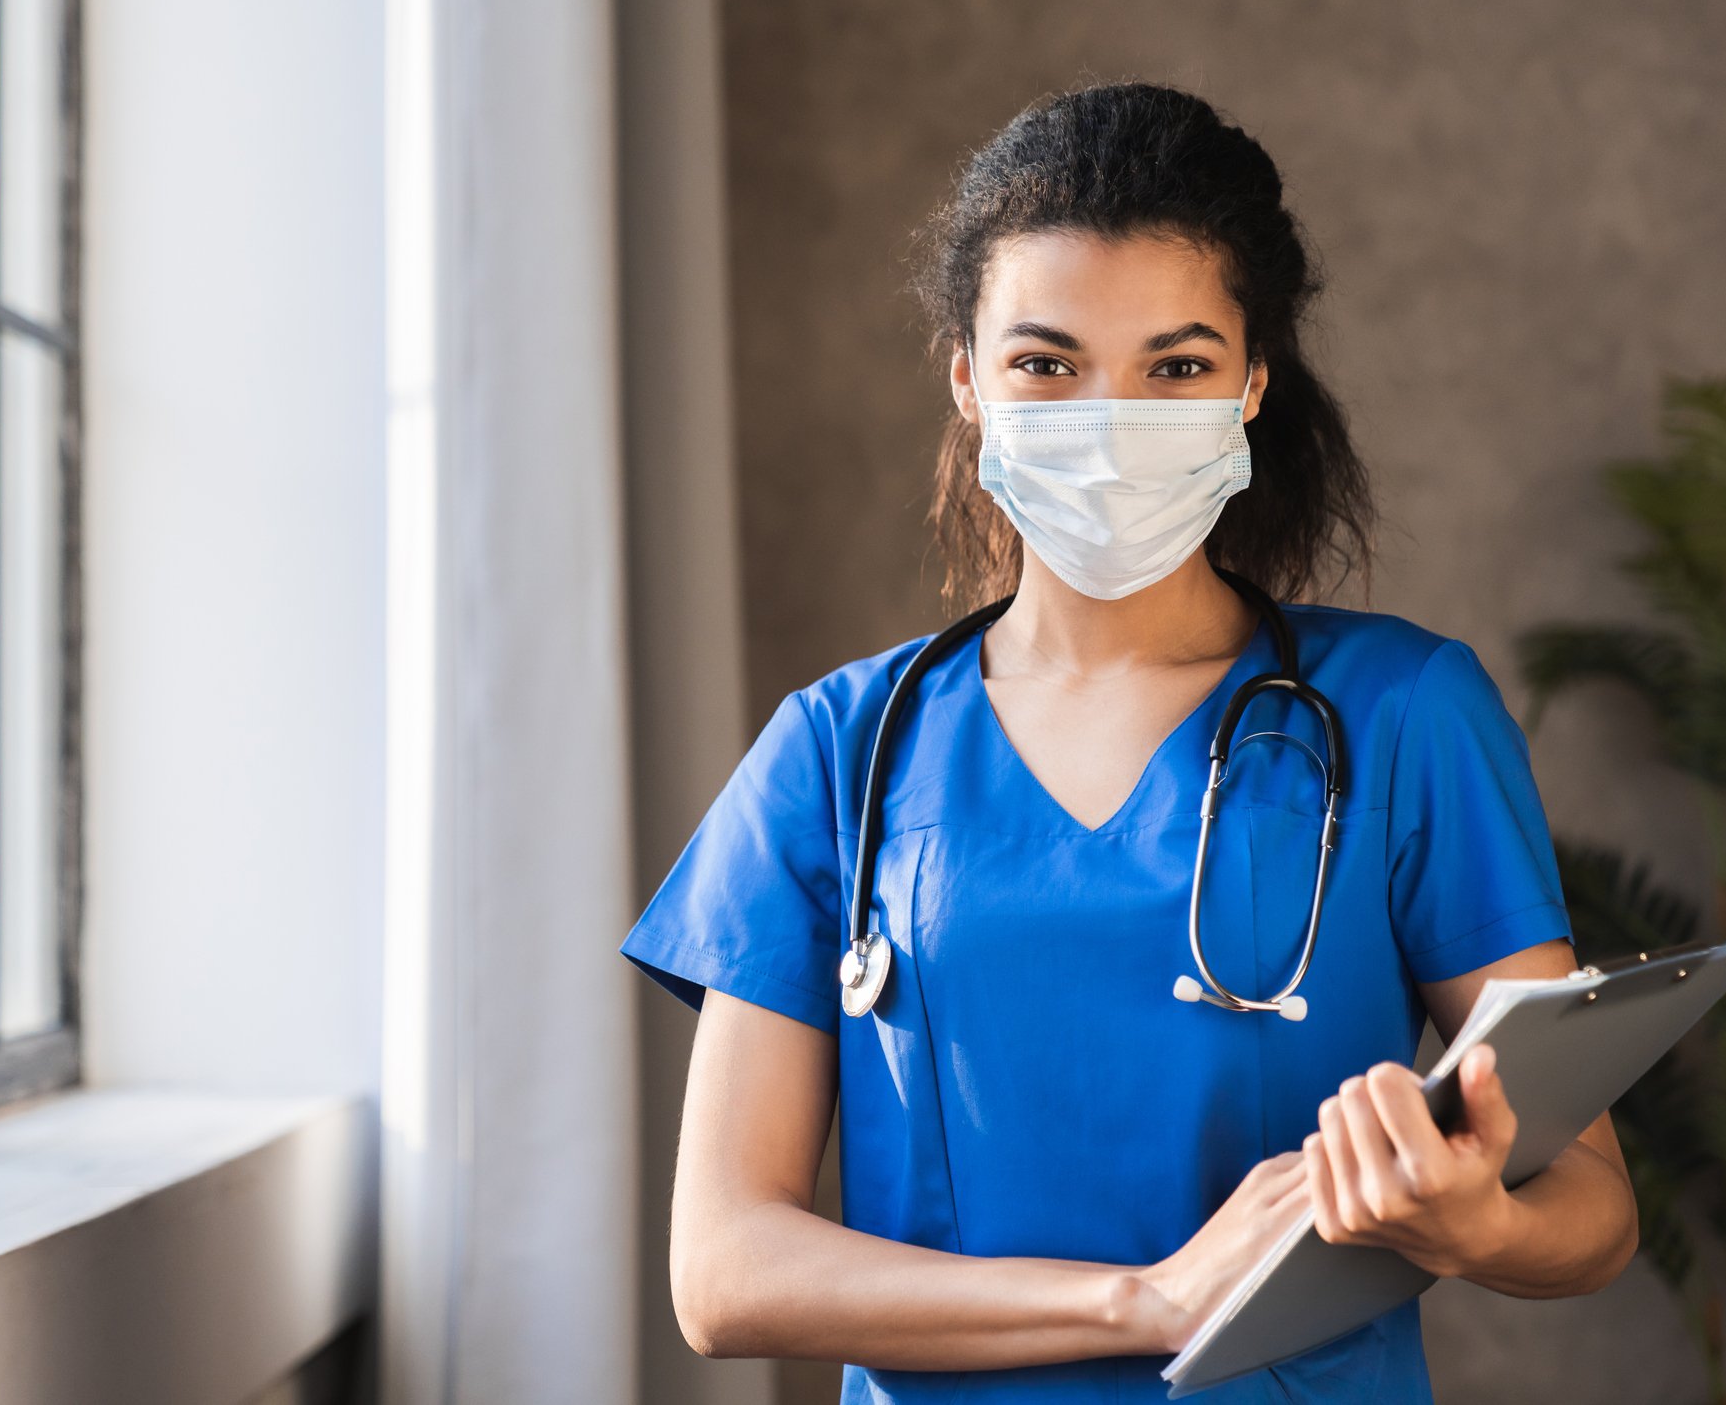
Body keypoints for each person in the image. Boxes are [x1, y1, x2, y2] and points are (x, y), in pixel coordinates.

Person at [619, 81, 1638, 1404]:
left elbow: (1594, 1206)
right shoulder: (836, 753)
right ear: (968, 377)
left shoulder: (1404, 717)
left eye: (1176, 365)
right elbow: (724, 1269)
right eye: (1047, 363)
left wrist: (1476, 1224)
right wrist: (1147, 1300)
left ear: (1254, 380)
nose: (1109, 418)